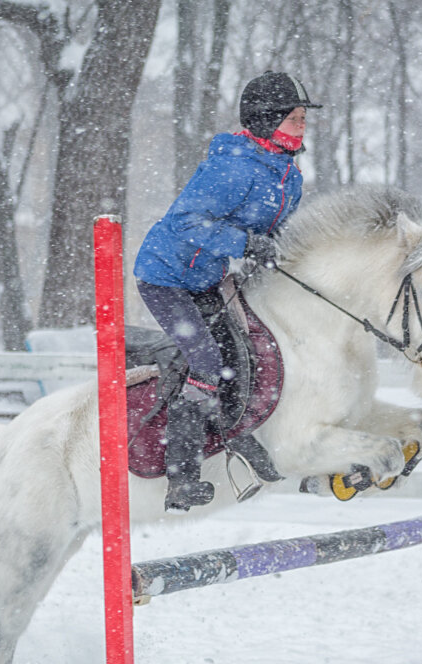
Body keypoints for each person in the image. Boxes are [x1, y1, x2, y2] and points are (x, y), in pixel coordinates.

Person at [134, 71, 321, 513]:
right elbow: (186, 222)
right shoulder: (232, 167)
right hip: (166, 277)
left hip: (206, 278)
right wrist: (245, 245)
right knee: (207, 364)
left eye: (303, 119)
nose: (303, 126)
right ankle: (182, 477)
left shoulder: (288, 176)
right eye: (295, 118)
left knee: (243, 357)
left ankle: (235, 436)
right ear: (265, 121)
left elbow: (281, 232)